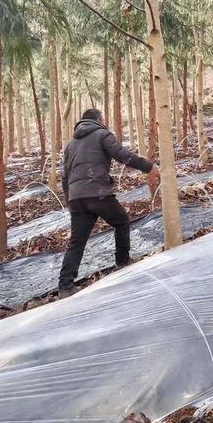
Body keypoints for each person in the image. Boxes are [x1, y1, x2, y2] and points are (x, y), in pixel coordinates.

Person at [58, 108, 159, 297]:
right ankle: (122, 264)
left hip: (77, 197)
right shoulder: (102, 134)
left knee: (76, 241)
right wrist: (149, 167)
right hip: (97, 192)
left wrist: (70, 199)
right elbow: (122, 155)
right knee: (121, 222)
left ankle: (65, 286)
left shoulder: (70, 144)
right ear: (99, 119)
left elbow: (65, 176)